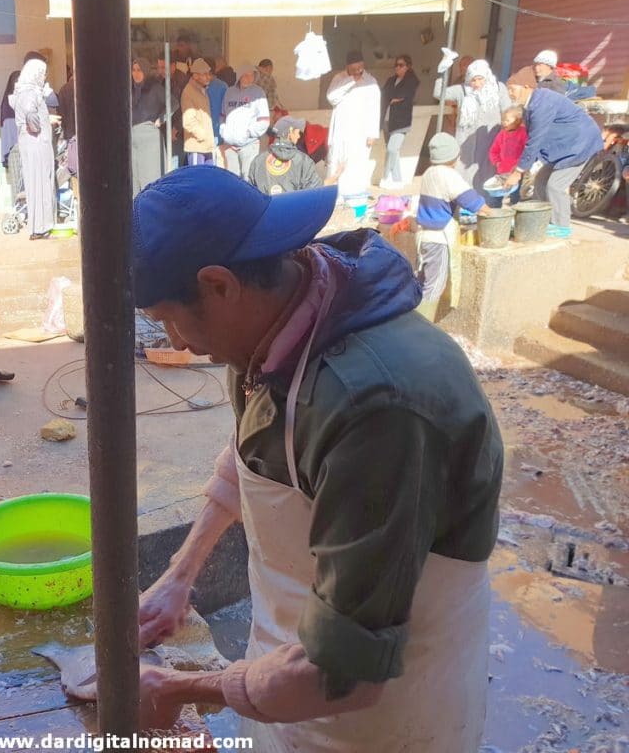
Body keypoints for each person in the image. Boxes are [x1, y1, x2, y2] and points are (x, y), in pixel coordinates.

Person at [122, 165, 503, 752]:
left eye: (170, 319)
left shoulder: (376, 407)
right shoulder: (279, 321)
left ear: (220, 284)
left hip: (383, 705)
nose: (174, 342)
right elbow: (255, 450)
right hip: (287, 659)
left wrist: (178, 689)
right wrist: (181, 576)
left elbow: (344, 671)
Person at [504, 84, 603, 238]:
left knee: (555, 186)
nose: (510, 93)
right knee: (541, 180)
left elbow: (535, 140)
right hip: (566, 145)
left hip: (580, 144)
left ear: (526, 86)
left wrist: (519, 171)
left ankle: (562, 226)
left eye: (513, 89)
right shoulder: (532, 104)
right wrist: (521, 166)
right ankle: (544, 218)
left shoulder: (542, 103)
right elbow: (534, 139)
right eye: (508, 90)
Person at [416, 133, 492, 321]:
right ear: (455, 157)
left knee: (422, 279)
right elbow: (472, 201)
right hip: (438, 239)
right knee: (434, 285)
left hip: (423, 236)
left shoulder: (428, 173)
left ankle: (410, 319)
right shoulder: (449, 176)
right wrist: (488, 211)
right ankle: (421, 327)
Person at [433, 59, 512, 195]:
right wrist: (442, 72)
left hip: (490, 144)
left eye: (480, 79)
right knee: (463, 181)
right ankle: (464, 212)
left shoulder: (498, 89)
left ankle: (486, 211)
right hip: (466, 146)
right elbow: (439, 94)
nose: (477, 84)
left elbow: (508, 112)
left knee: (487, 182)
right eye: (473, 80)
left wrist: (507, 139)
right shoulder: (462, 90)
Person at [11, 57, 55, 239]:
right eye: (42, 73)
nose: (44, 77)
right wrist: (45, 123)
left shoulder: (23, 91)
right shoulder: (30, 93)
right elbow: (32, 120)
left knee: (34, 183)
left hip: (30, 144)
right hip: (37, 143)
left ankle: (39, 225)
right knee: (41, 183)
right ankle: (41, 226)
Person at [327, 50, 381, 197]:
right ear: (347, 67)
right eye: (354, 69)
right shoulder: (339, 78)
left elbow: (375, 108)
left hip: (361, 131)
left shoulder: (370, 82)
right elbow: (331, 98)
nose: (357, 71)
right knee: (337, 160)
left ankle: (354, 193)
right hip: (341, 129)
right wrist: (350, 81)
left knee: (357, 161)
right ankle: (335, 193)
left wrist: (372, 133)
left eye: (360, 68)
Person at [247, 116, 323, 195]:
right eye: (297, 132)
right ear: (290, 131)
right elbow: (315, 192)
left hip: (268, 207)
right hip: (295, 207)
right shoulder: (304, 161)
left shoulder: (258, 161)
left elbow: (251, 195)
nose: (299, 136)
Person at [220, 64, 269, 179]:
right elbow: (222, 115)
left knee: (248, 178)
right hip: (230, 146)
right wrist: (224, 132)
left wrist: (249, 133)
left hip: (249, 145)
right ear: (239, 76)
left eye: (252, 75)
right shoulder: (229, 92)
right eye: (245, 75)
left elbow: (264, 120)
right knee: (232, 180)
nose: (249, 78)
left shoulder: (259, 93)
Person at [380, 55, 419, 189]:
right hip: (387, 119)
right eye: (396, 65)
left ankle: (385, 177)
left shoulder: (412, 80)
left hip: (401, 121)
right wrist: (393, 98)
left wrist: (394, 98)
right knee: (392, 151)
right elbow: (385, 95)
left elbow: (402, 95)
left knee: (392, 148)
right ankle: (397, 180)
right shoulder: (391, 80)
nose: (397, 67)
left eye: (401, 65)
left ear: (408, 66)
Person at [131, 58, 165, 196]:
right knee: (133, 175)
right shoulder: (128, 89)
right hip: (131, 136)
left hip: (149, 137)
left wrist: (161, 119)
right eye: (133, 70)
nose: (136, 73)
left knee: (150, 175)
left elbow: (173, 103)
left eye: (139, 70)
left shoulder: (155, 88)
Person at [488, 105, 528, 206]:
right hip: (502, 172)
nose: (504, 122)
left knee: (515, 196)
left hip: (517, 172)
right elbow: (494, 150)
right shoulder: (501, 134)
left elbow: (527, 150)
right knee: (496, 196)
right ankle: (494, 215)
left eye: (507, 120)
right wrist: (496, 162)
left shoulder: (523, 133)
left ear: (517, 120)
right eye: (503, 120)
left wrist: (522, 165)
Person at [181, 59, 214, 166]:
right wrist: (202, 135)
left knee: (208, 179)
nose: (208, 77)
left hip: (207, 146)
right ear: (195, 76)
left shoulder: (202, 90)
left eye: (209, 74)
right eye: (204, 74)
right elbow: (188, 121)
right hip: (197, 146)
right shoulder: (189, 92)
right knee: (197, 179)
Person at [205, 57, 228, 163]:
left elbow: (226, 111)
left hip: (215, 133)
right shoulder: (223, 86)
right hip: (215, 134)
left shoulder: (222, 87)